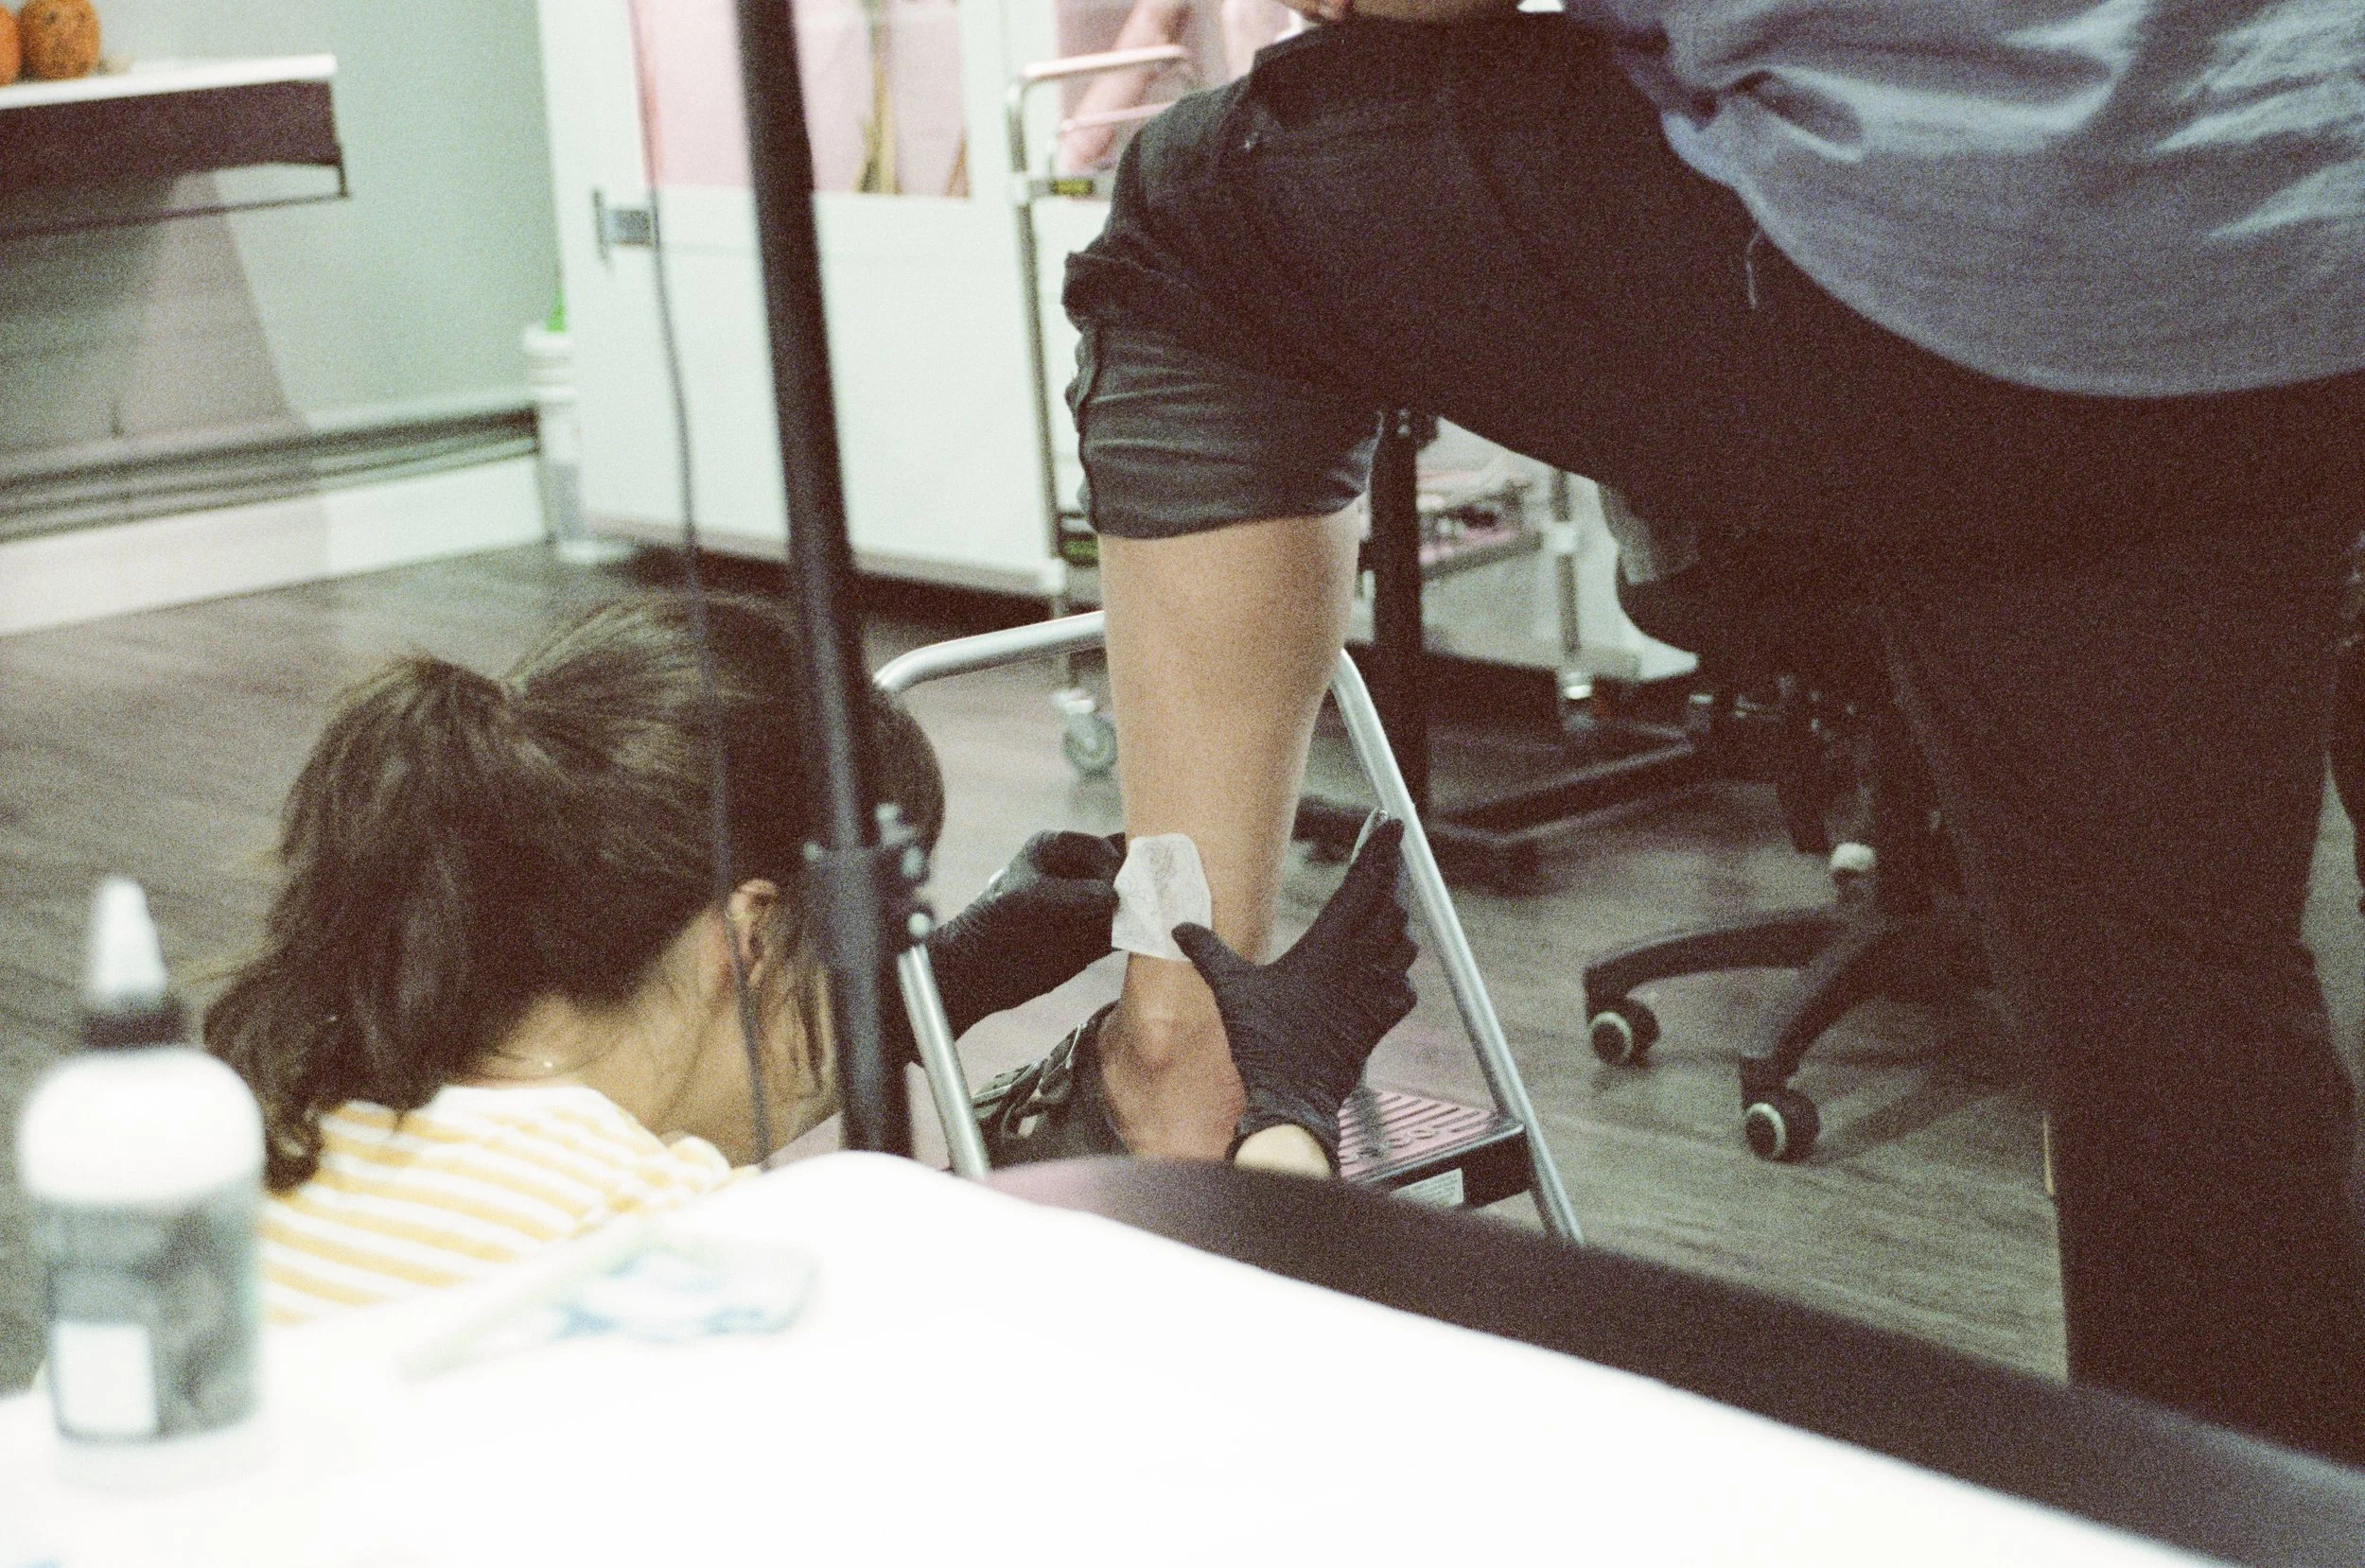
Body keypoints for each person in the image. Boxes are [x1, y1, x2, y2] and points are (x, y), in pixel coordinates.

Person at [1055, 0, 2365, 1462]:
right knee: (2172, 1009)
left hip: (1952, 230)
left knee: (1193, 215)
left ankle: (1182, 1048)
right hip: (2292, 235)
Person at [203, 593, 1415, 1324]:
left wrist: (943, 979)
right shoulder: (672, 1248)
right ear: (745, 935)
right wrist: (1287, 1118)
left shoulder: (282, 1123)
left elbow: (716, 1062)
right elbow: (1228, 1405)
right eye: (850, 948)